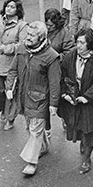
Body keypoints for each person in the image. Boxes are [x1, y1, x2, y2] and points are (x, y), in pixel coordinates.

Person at [5, 21, 61, 177]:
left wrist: (53, 103)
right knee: (30, 127)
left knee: (35, 130)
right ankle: (43, 147)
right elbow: (12, 71)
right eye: (27, 34)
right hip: (23, 97)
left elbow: (55, 82)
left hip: (40, 100)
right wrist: (9, 87)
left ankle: (31, 162)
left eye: (32, 35)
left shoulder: (51, 56)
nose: (27, 37)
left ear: (41, 37)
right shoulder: (22, 49)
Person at [59, 28, 93, 175]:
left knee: (89, 130)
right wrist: (66, 94)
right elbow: (63, 74)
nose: (78, 45)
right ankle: (83, 144)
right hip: (73, 99)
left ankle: (87, 157)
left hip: (90, 103)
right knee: (77, 126)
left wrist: (86, 97)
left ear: (90, 44)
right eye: (77, 42)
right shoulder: (71, 56)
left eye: (81, 42)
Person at [0, 0, 28, 131]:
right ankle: (2, 108)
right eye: (7, 6)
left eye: (12, 7)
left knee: (10, 92)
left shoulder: (22, 26)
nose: (9, 9)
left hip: (10, 66)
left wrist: (7, 49)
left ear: (17, 10)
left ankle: (10, 118)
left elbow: (23, 45)